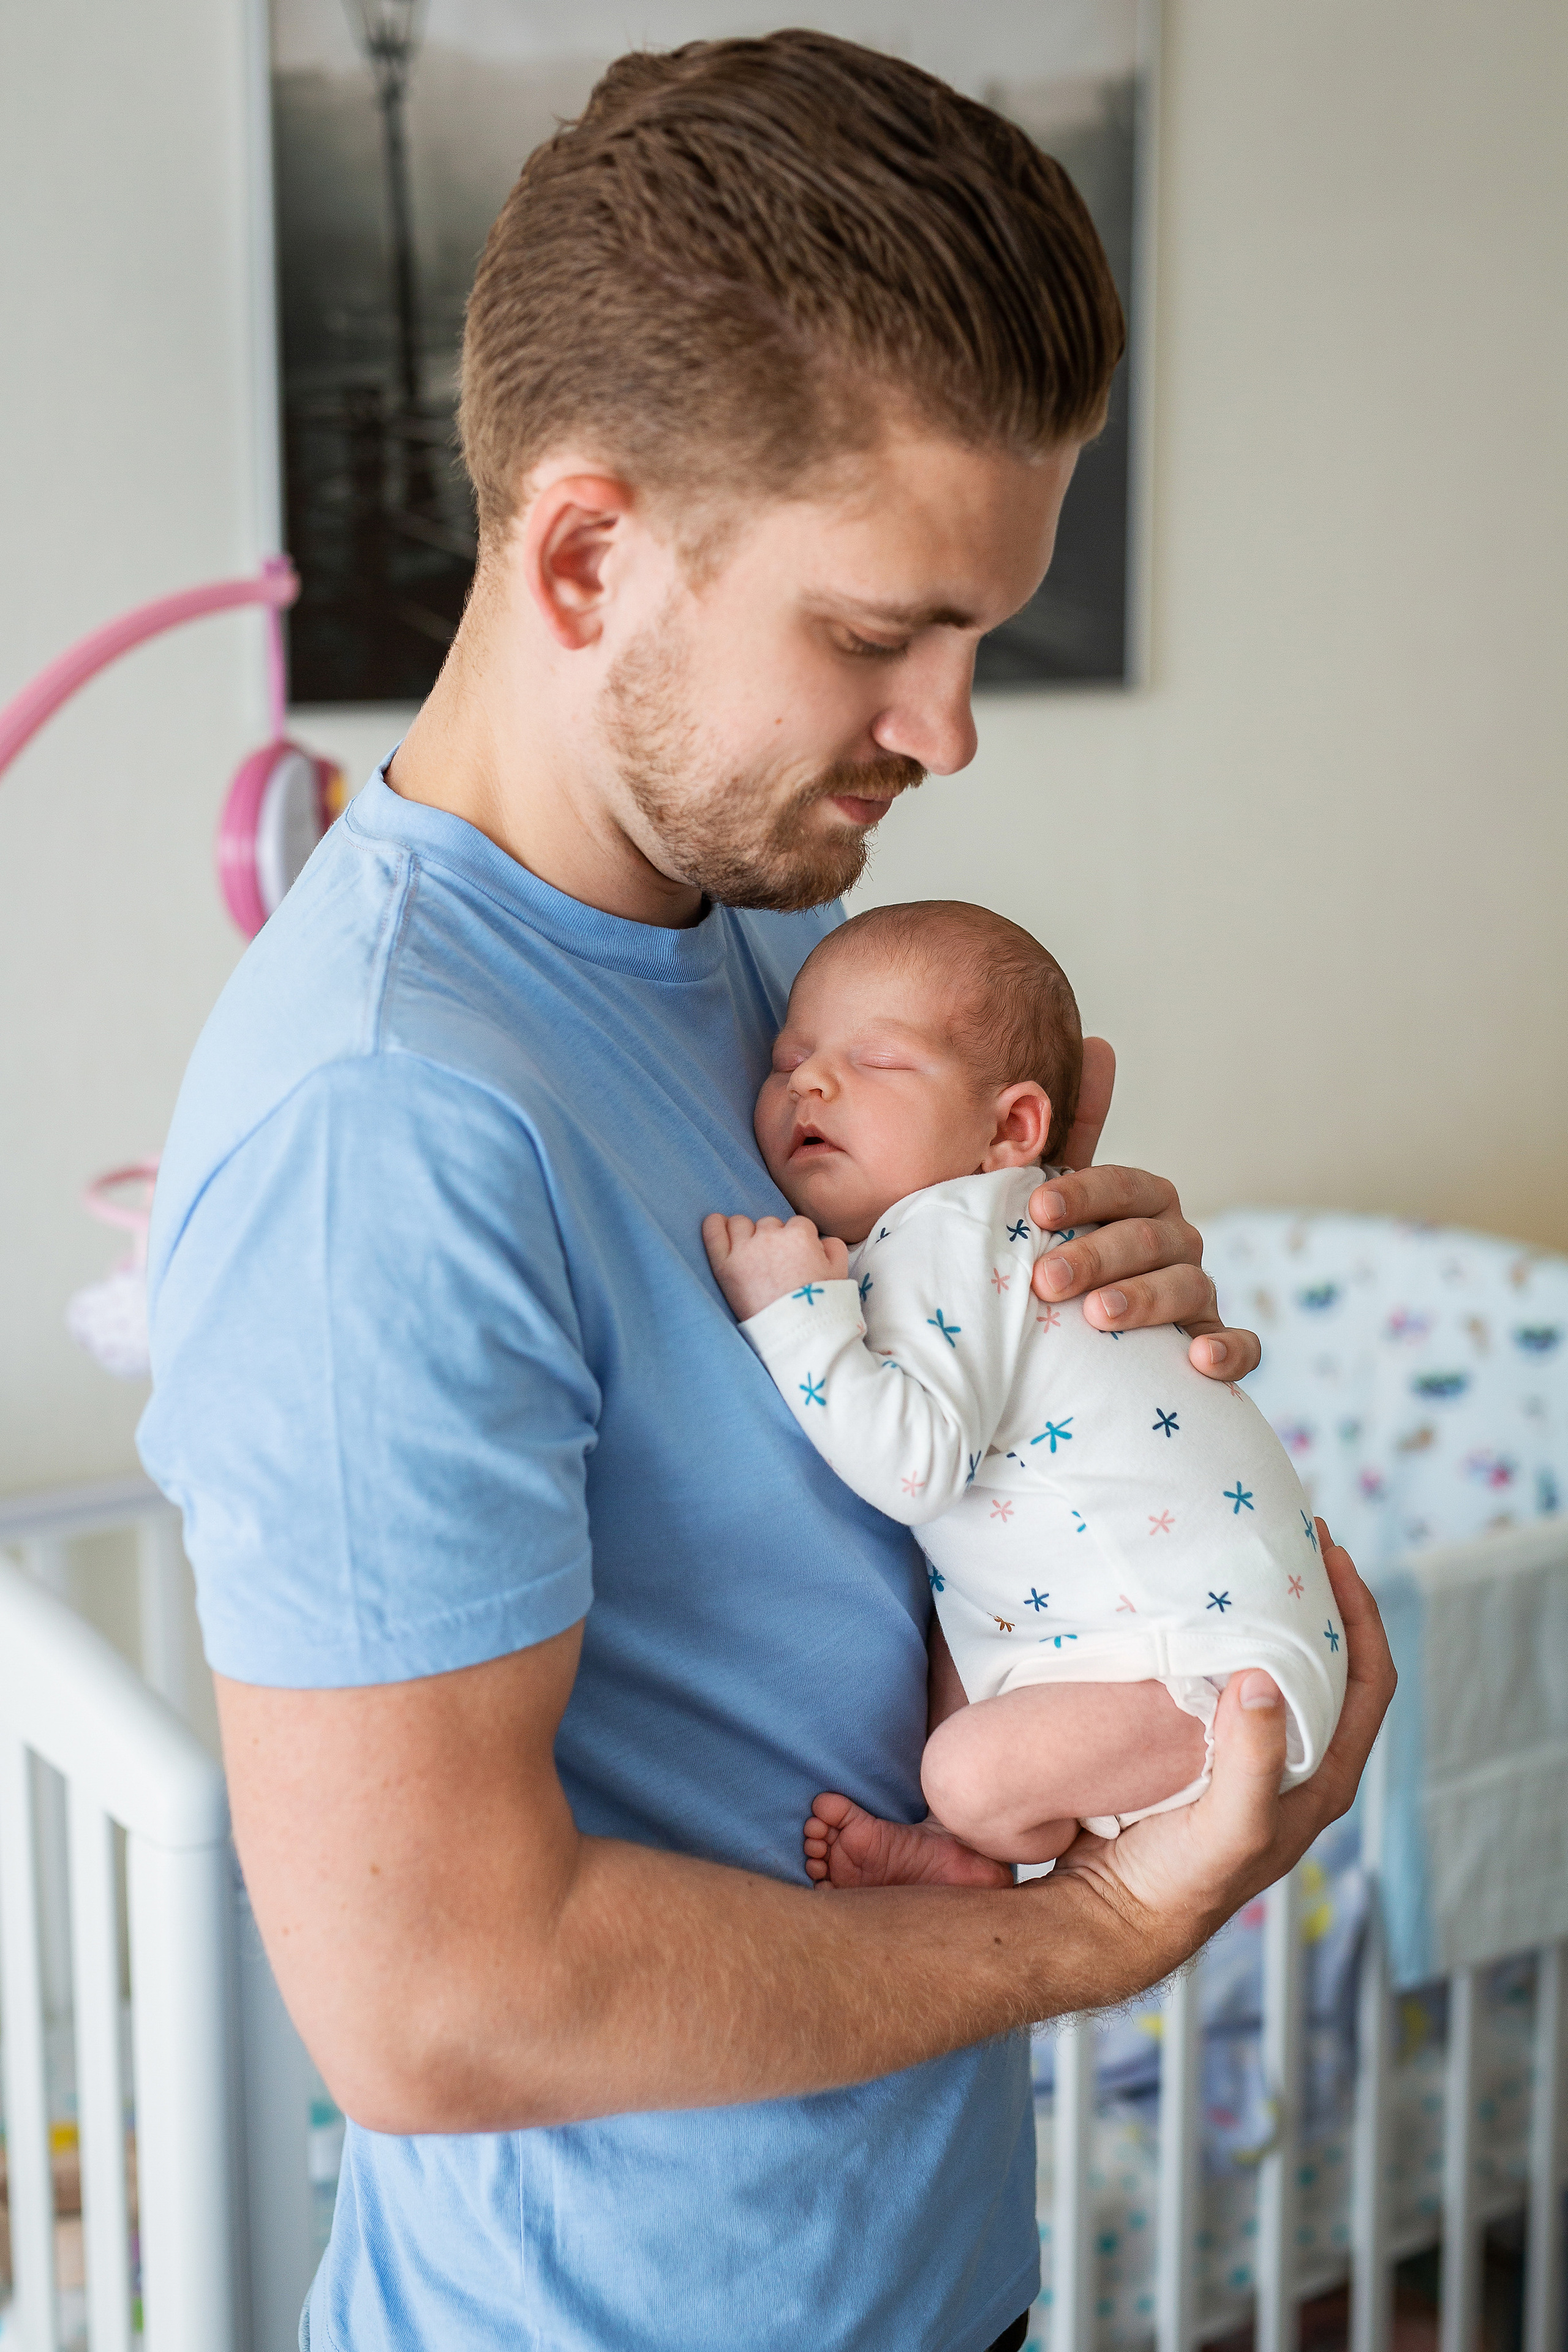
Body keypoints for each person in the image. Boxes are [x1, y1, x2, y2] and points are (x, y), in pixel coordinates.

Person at [137, 32, 1394, 2352]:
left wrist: (1083, 1327)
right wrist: (1093, 1933)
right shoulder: (382, 1125)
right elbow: (439, 2008)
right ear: (588, 556)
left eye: (981, 631)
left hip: (925, 2274)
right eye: (877, 633)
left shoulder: (764, 957)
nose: (951, 729)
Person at [703, 901, 1348, 1882]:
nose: (810, 1082)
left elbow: (915, 1470)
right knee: (953, 1652)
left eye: (875, 1061)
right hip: (1175, 1637)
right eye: (789, 1062)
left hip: (1198, 1665)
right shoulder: (974, 1228)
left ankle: (972, 1829)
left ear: (1011, 1127)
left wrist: (792, 1312)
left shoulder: (943, 1230)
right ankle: (962, 1853)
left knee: (963, 1769)